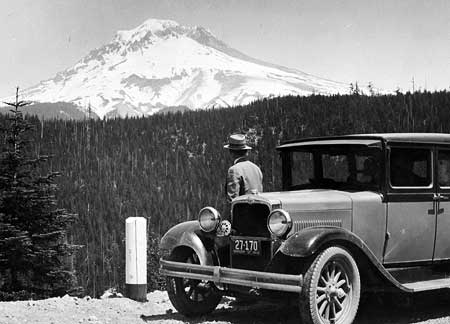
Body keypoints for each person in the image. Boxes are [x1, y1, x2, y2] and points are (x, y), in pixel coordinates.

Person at [224, 133, 263, 202]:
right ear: (246, 152)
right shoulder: (256, 168)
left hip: (242, 211)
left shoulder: (234, 170)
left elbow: (232, 200)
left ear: (231, 153)